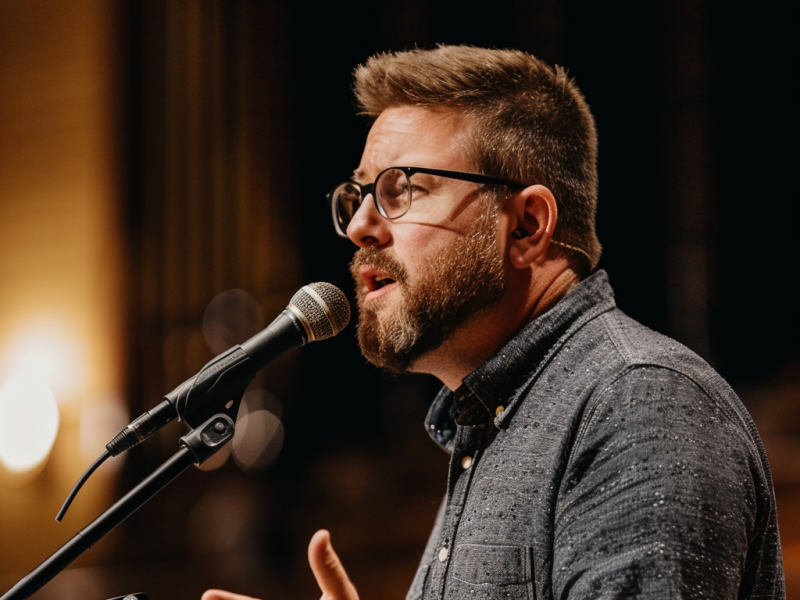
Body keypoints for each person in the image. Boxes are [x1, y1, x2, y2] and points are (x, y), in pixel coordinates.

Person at [203, 46, 785, 599]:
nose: (360, 225)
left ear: (527, 226)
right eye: (357, 195)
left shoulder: (639, 404)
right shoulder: (494, 422)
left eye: (401, 190)